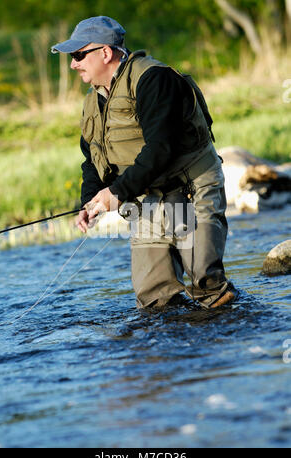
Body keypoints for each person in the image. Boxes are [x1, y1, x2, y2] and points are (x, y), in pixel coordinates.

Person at [51, 16, 239, 310]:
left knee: (206, 286)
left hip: (186, 189)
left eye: (78, 55)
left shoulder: (154, 80)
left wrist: (114, 194)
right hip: (147, 197)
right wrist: (90, 201)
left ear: (105, 52)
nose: (73, 64)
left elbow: (161, 149)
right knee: (155, 300)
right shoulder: (93, 101)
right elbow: (92, 159)